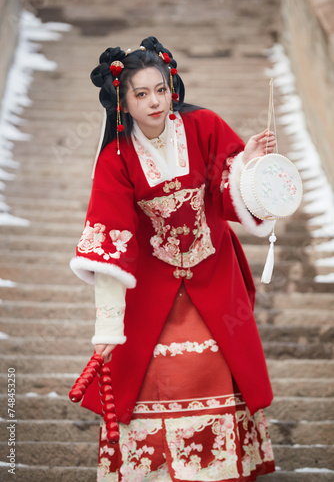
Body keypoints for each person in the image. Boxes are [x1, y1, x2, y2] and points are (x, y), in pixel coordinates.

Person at [70, 36, 276, 481]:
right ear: (123, 102)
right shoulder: (115, 159)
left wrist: (252, 168)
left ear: (172, 86)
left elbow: (231, 193)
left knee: (216, 366)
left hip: (213, 270)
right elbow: (110, 243)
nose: (155, 102)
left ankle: (218, 471)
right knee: (152, 378)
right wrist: (108, 324)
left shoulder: (205, 126)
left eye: (160, 89)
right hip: (150, 287)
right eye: (140, 94)